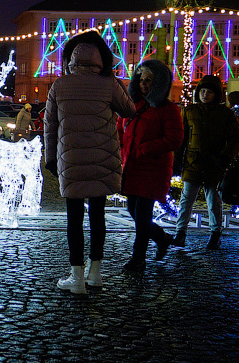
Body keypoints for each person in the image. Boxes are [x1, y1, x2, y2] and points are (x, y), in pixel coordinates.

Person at [45, 31, 135, 294]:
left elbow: (50, 126)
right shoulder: (109, 84)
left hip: (71, 159)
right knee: (98, 217)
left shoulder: (59, 85)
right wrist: (115, 82)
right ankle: (95, 273)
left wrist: (51, 159)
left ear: (71, 60)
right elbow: (130, 110)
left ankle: (77, 277)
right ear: (101, 60)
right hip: (102, 158)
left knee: (74, 219)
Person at [117, 60, 183, 272]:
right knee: (133, 210)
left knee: (142, 213)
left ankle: (138, 258)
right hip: (132, 167)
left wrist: (145, 148)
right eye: (141, 79)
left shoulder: (168, 109)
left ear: (159, 83)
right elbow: (120, 130)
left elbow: (174, 139)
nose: (144, 84)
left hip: (152, 168)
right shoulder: (131, 105)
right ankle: (161, 238)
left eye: (149, 80)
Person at [172, 75, 239, 251]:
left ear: (216, 94)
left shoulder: (225, 114)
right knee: (186, 200)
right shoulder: (190, 111)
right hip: (193, 162)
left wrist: (225, 158)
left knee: (213, 201)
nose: (205, 95)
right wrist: (176, 162)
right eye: (202, 91)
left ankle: (215, 234)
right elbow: (182, 138)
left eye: (209, 92)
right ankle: (180, 233)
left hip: (213, 163)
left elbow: (234, 139)